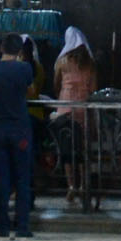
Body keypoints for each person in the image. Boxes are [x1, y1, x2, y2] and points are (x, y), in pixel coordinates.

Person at [0, 31, 35, 239]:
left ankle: (2, 224)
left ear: (1, 48)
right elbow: (30, 92)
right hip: (20, 128)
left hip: (0, 129)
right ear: (19, 51)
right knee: (22, 178)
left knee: (2, 178)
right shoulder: (24, 69)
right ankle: (22, 225)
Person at [52, 25, 96, 202]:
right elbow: (93, 88)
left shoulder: (62, 61)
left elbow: (56, 84)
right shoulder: (90, 63)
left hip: (65, 108)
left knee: (67, 148)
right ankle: (84, 185)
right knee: (83, 148)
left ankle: (71, 185)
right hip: (83, 108)